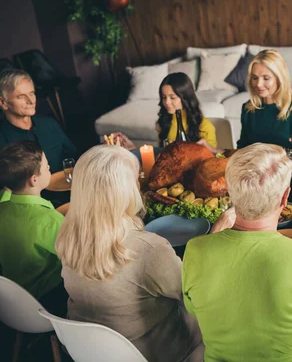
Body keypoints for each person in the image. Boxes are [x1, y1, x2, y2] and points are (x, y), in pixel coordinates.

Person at [182, 143, 292, 361]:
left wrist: (212, 239)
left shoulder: (195, 250)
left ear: (230, 193)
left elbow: (193, 308)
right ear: (285, 197)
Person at [55, 145, 203, 362]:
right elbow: (193, 295)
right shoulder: (149, 249)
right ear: (125, 191)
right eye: (135, 181)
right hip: (149, 353)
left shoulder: (68, 237)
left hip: (87, 352)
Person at [0, 141, 67, 316]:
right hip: (48, 299)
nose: (50, 167)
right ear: (34, 179)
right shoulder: (49, 220)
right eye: (46, 166)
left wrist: (6, 191)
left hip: (14, 299)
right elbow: (76, 259)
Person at [202, 49, 292, 175]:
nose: (258, 84)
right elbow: (243, 152)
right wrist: (213, 150)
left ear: (280, 79)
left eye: (266, 78)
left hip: (288, 180)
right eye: (254, 78)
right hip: (255, 178)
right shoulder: (248, 109)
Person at [0, 69, 77, 202]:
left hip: (71, 197)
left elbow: (74, 158)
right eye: (21, 96)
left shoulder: (49, 124)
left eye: (32, 93)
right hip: (32, 212)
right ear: (2, 103)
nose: (31, 101)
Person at [114, 72, 217, 152]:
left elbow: (213, 160)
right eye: (164, 97)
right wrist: (133, 148)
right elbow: (162, 155)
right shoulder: (164, 122)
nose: (166, 102)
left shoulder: (205, 127)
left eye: (172, 97)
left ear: (185, 98)